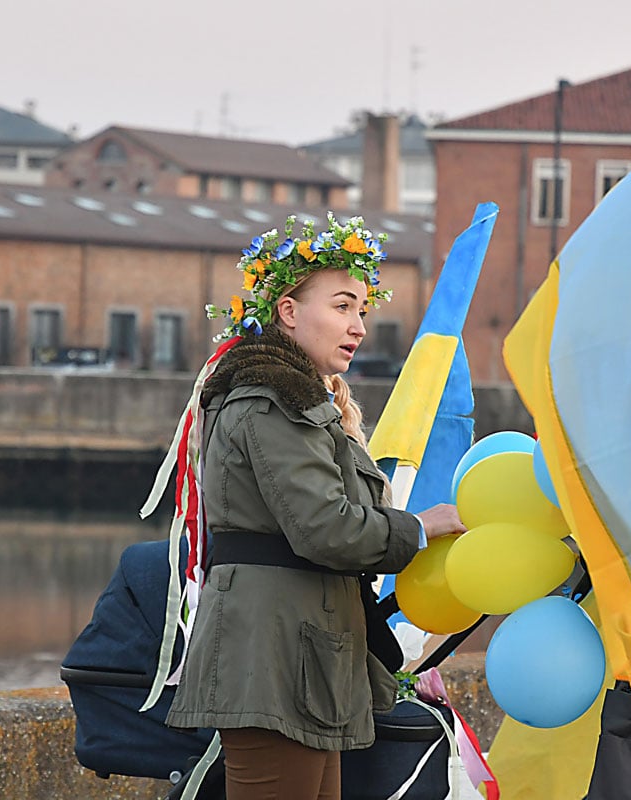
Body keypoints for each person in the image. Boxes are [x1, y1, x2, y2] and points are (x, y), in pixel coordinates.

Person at [165, 213, 466, 799]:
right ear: (289, 311)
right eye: (342, 306)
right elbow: (327, 530)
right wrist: (418, 529)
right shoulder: (274, 400)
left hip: (302, 657)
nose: (357, 325)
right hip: (274, 658)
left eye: (361, 310)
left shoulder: (302, 400)